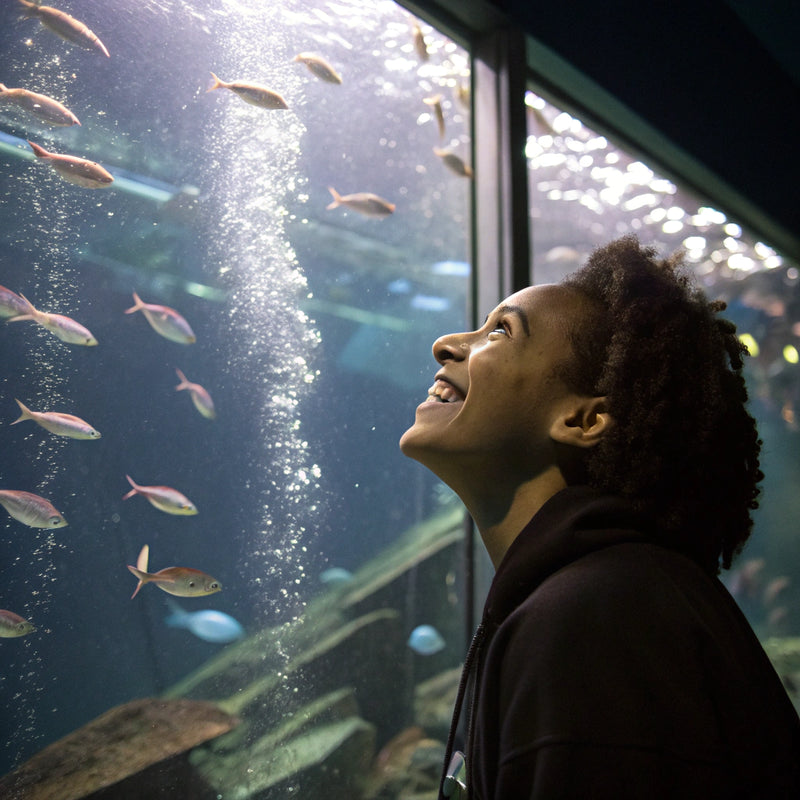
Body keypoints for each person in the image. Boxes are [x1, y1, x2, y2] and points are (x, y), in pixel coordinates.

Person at [399, 235, 800, 799]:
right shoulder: (608, 594)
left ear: (585, 419)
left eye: (501, 331)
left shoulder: (592, 622)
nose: (446, 344)